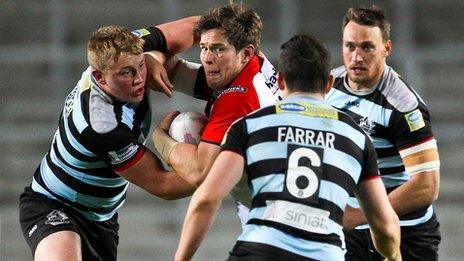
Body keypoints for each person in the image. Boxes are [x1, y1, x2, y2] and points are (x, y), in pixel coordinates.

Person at [175, 34, 401, 261]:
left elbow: (206, 199)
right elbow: (385, 226)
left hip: (260, 251)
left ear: (281, 81)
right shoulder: (356, 137)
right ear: (329, 84)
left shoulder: (249, 126)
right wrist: (393, 257)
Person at [18, 17, 200, 261]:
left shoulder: (124, 48)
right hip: (53, 203)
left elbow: (198, 26)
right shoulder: (101, 125)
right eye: (126, 73)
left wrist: (153, 57)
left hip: (102, 220)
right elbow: (164, 184)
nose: (138, 79)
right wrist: (226, 169)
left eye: (139, 66)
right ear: (100, 78)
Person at [147, 2, 281, 227]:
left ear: (245, 52)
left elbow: (199, 173)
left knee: (184, 126)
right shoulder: (251, 65)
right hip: (285, 200)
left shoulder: (237, 99)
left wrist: (160, 137)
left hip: (273, 216)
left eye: (218, 48)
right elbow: (174, 69)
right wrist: (151, 58)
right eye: (203, 47)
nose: (207, 58)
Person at [325, 6, 441, 261]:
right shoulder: (329, 86)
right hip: (353, 233)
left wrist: (359, 215)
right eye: (350, 46)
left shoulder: (402, 106)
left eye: (367, 47)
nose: (356, 57)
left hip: (406, 231)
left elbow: (427, 186)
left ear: (386, 49)